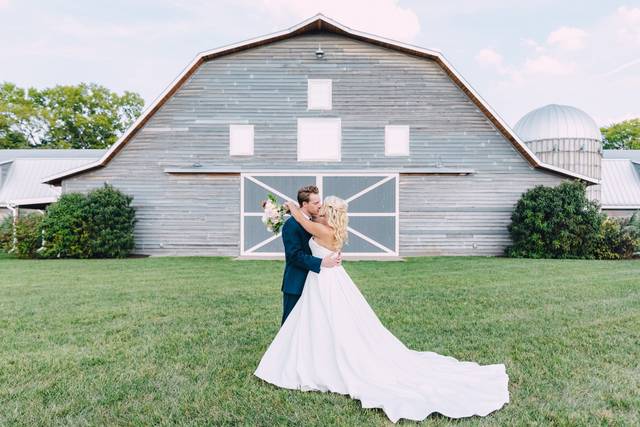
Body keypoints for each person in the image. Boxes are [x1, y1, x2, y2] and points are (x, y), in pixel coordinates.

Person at [254, 195, 510, 423]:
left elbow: (302, 219)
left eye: (323, 205)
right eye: (317, 204)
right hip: (329, 277)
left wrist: (288, 206)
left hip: (326, 279)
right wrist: (276, 209)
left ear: (329, 212)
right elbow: (302, 222)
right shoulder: (333, 229)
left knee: (329, 320)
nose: (319, 207)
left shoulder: (321, 229)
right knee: (326, 320)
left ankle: (323, 359)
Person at [279, 185, 341, 325]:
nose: (320, 206)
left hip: (317, 282)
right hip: (297, 282)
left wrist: (334, 253)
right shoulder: (291, 225)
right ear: (304, 204)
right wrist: (321, 262)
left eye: (320, 201)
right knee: (290, 323)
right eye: (316, 203)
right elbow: (293, 255)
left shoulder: (315, 221)